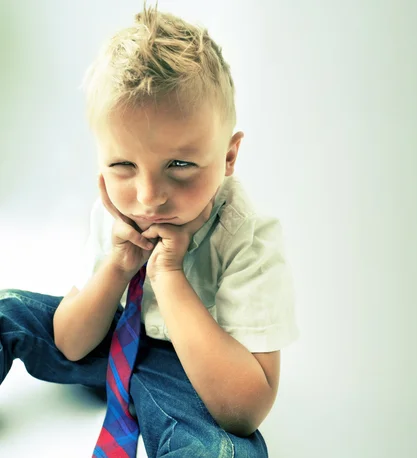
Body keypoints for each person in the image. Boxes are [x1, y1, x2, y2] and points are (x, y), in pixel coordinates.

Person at [0, 3, 298, 457]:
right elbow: (72, 343)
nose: (148, 196)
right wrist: (118, 265)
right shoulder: (119, 213)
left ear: (229, 157)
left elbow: (246, 407)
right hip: (112, 336)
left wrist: (169, 275)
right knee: (7, 310)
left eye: (180, 165)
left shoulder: (247, 239)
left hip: (190, 373)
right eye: (122, 165)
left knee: (223, 451)